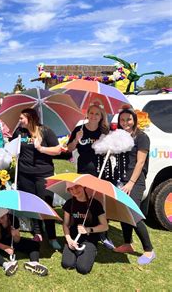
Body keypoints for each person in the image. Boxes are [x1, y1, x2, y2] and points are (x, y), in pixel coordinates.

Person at [12, 108, 62, 250]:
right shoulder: (19, 132)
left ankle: (52, 236)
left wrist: (41, 148)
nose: (19, 120)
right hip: (24, 174)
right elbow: (11, 145)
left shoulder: (45, 131)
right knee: (32, 204)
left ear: (31, 118)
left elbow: (58, 150)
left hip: (43, 174)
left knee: (46, 205)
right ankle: (38, 232)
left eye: (22, 118)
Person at [67, 104, 114, 250]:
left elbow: (111, 152)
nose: (94, 116)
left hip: (100, 171)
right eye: (91, 113)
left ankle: (102, 233)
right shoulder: (79, 129)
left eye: (97, 114)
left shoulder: (105, 131)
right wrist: (76, 139)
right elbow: (69, 149)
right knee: (83, 199)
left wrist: (109, 145)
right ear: (87, 114)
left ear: (101, 117)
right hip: (83, 171)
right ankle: (83, 227)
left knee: (99, 203)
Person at [112, 108, 156, 265]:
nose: (125, 123)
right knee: (123, 212)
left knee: (132, 213)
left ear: (135, 120)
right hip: (120, 179)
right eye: (122, 120)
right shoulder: (120, 137)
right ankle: (127, 243)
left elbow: (140, 162)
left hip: (134, 181)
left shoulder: (142, 137)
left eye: (128, 120)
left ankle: (149, 250)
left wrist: (131, 183)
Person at [61, 182, 108, 274]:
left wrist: (88, 229)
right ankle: (80, 252)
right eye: (71, 189)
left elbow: (105, 226)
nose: (74, 190)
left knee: (83, 268)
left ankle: (90, 251)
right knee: (67, 264)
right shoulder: (69, 203)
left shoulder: (95, 204)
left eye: (77, 186)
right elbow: (65, 224)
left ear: (83, 186)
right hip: (74, 237)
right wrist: (69, 240)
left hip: (90, 238)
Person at [0, 208, 49, 277]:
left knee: (34, 243)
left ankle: (34, 263)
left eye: (2, 217)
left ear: (6, 214)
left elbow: (17, 240)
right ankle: (5, 264)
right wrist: (5, 248)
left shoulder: (13, 219)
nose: (0, 221)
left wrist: (14, 235)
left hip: (11, 241)